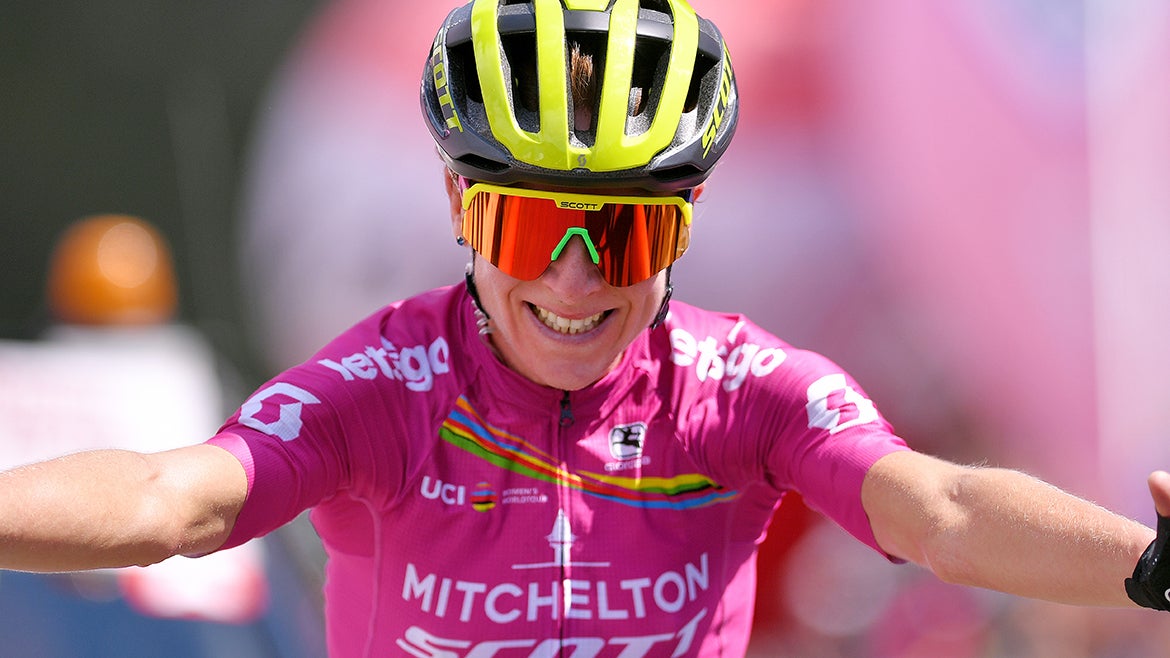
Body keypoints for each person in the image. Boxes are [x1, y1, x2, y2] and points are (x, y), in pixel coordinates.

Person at [2, 2, 1170, 657]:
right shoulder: (383, 383)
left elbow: (945, 510)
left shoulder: (742, 385)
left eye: (620, 235)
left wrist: (1146, 564)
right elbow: (171, 500)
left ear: (684, 229)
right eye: (530, 228)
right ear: (463, 214)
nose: (571, 278)